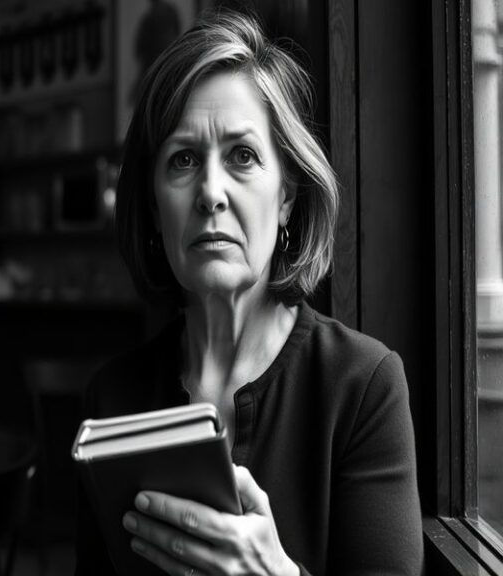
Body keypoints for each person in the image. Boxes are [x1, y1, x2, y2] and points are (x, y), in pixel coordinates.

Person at [75, 7, 423, 576]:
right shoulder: (111, 401)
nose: (211, 192)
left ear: (286, 195)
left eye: (243, 156)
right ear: (154, 207)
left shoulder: (364, 387)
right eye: (183, 160)